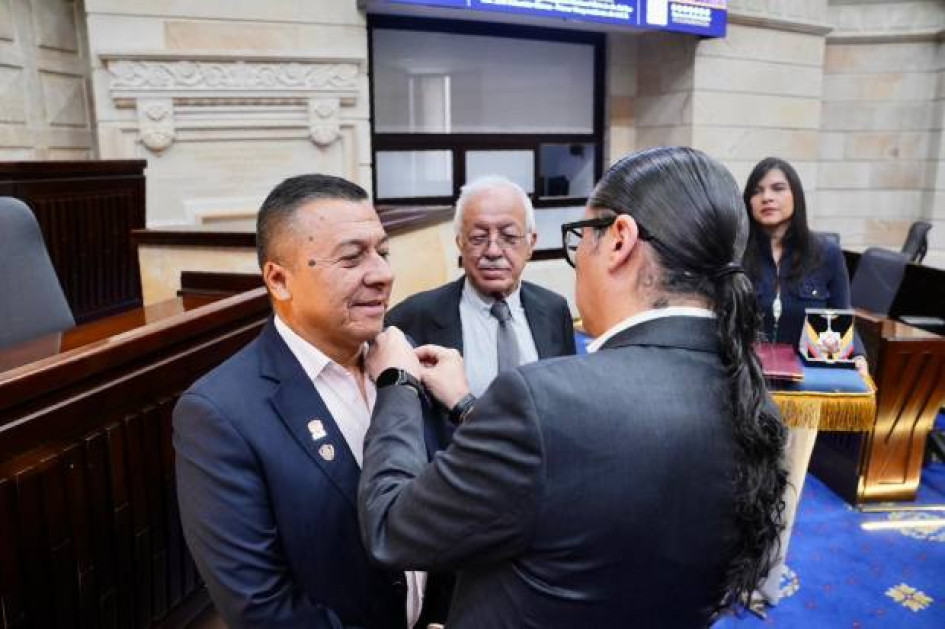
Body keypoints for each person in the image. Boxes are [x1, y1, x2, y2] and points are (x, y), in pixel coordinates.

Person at [359, 147, 787, 628]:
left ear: (619, 240)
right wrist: (465, 404)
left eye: (579, 237)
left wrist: (396, 382)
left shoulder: (540, 395)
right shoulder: (753, 400)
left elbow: (392, 527)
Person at [173, 174, 440, 628]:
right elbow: (261, 608)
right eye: (353, 257)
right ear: (279, 280)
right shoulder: (219, 415)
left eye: (383, 252)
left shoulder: (406, 358)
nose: (382, 274)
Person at [742, 157, 866, 612]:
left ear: (795, 194)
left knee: (784, 489)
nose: (767, 197)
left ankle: (763, 583)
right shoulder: (736, 251)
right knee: (741, 485)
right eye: (757, 190)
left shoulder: (824, 254)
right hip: (744, 389)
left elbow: (839, 319)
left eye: (777, 188)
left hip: (800, 395)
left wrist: (858, 360)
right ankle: (730, 571)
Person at [385, 175, 575, 398]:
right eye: (478, 237)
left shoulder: (554, 309)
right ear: (460, 243)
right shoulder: (413, 317)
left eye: (509, 236)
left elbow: (565, 396)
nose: (493, 251)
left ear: (531, 243)